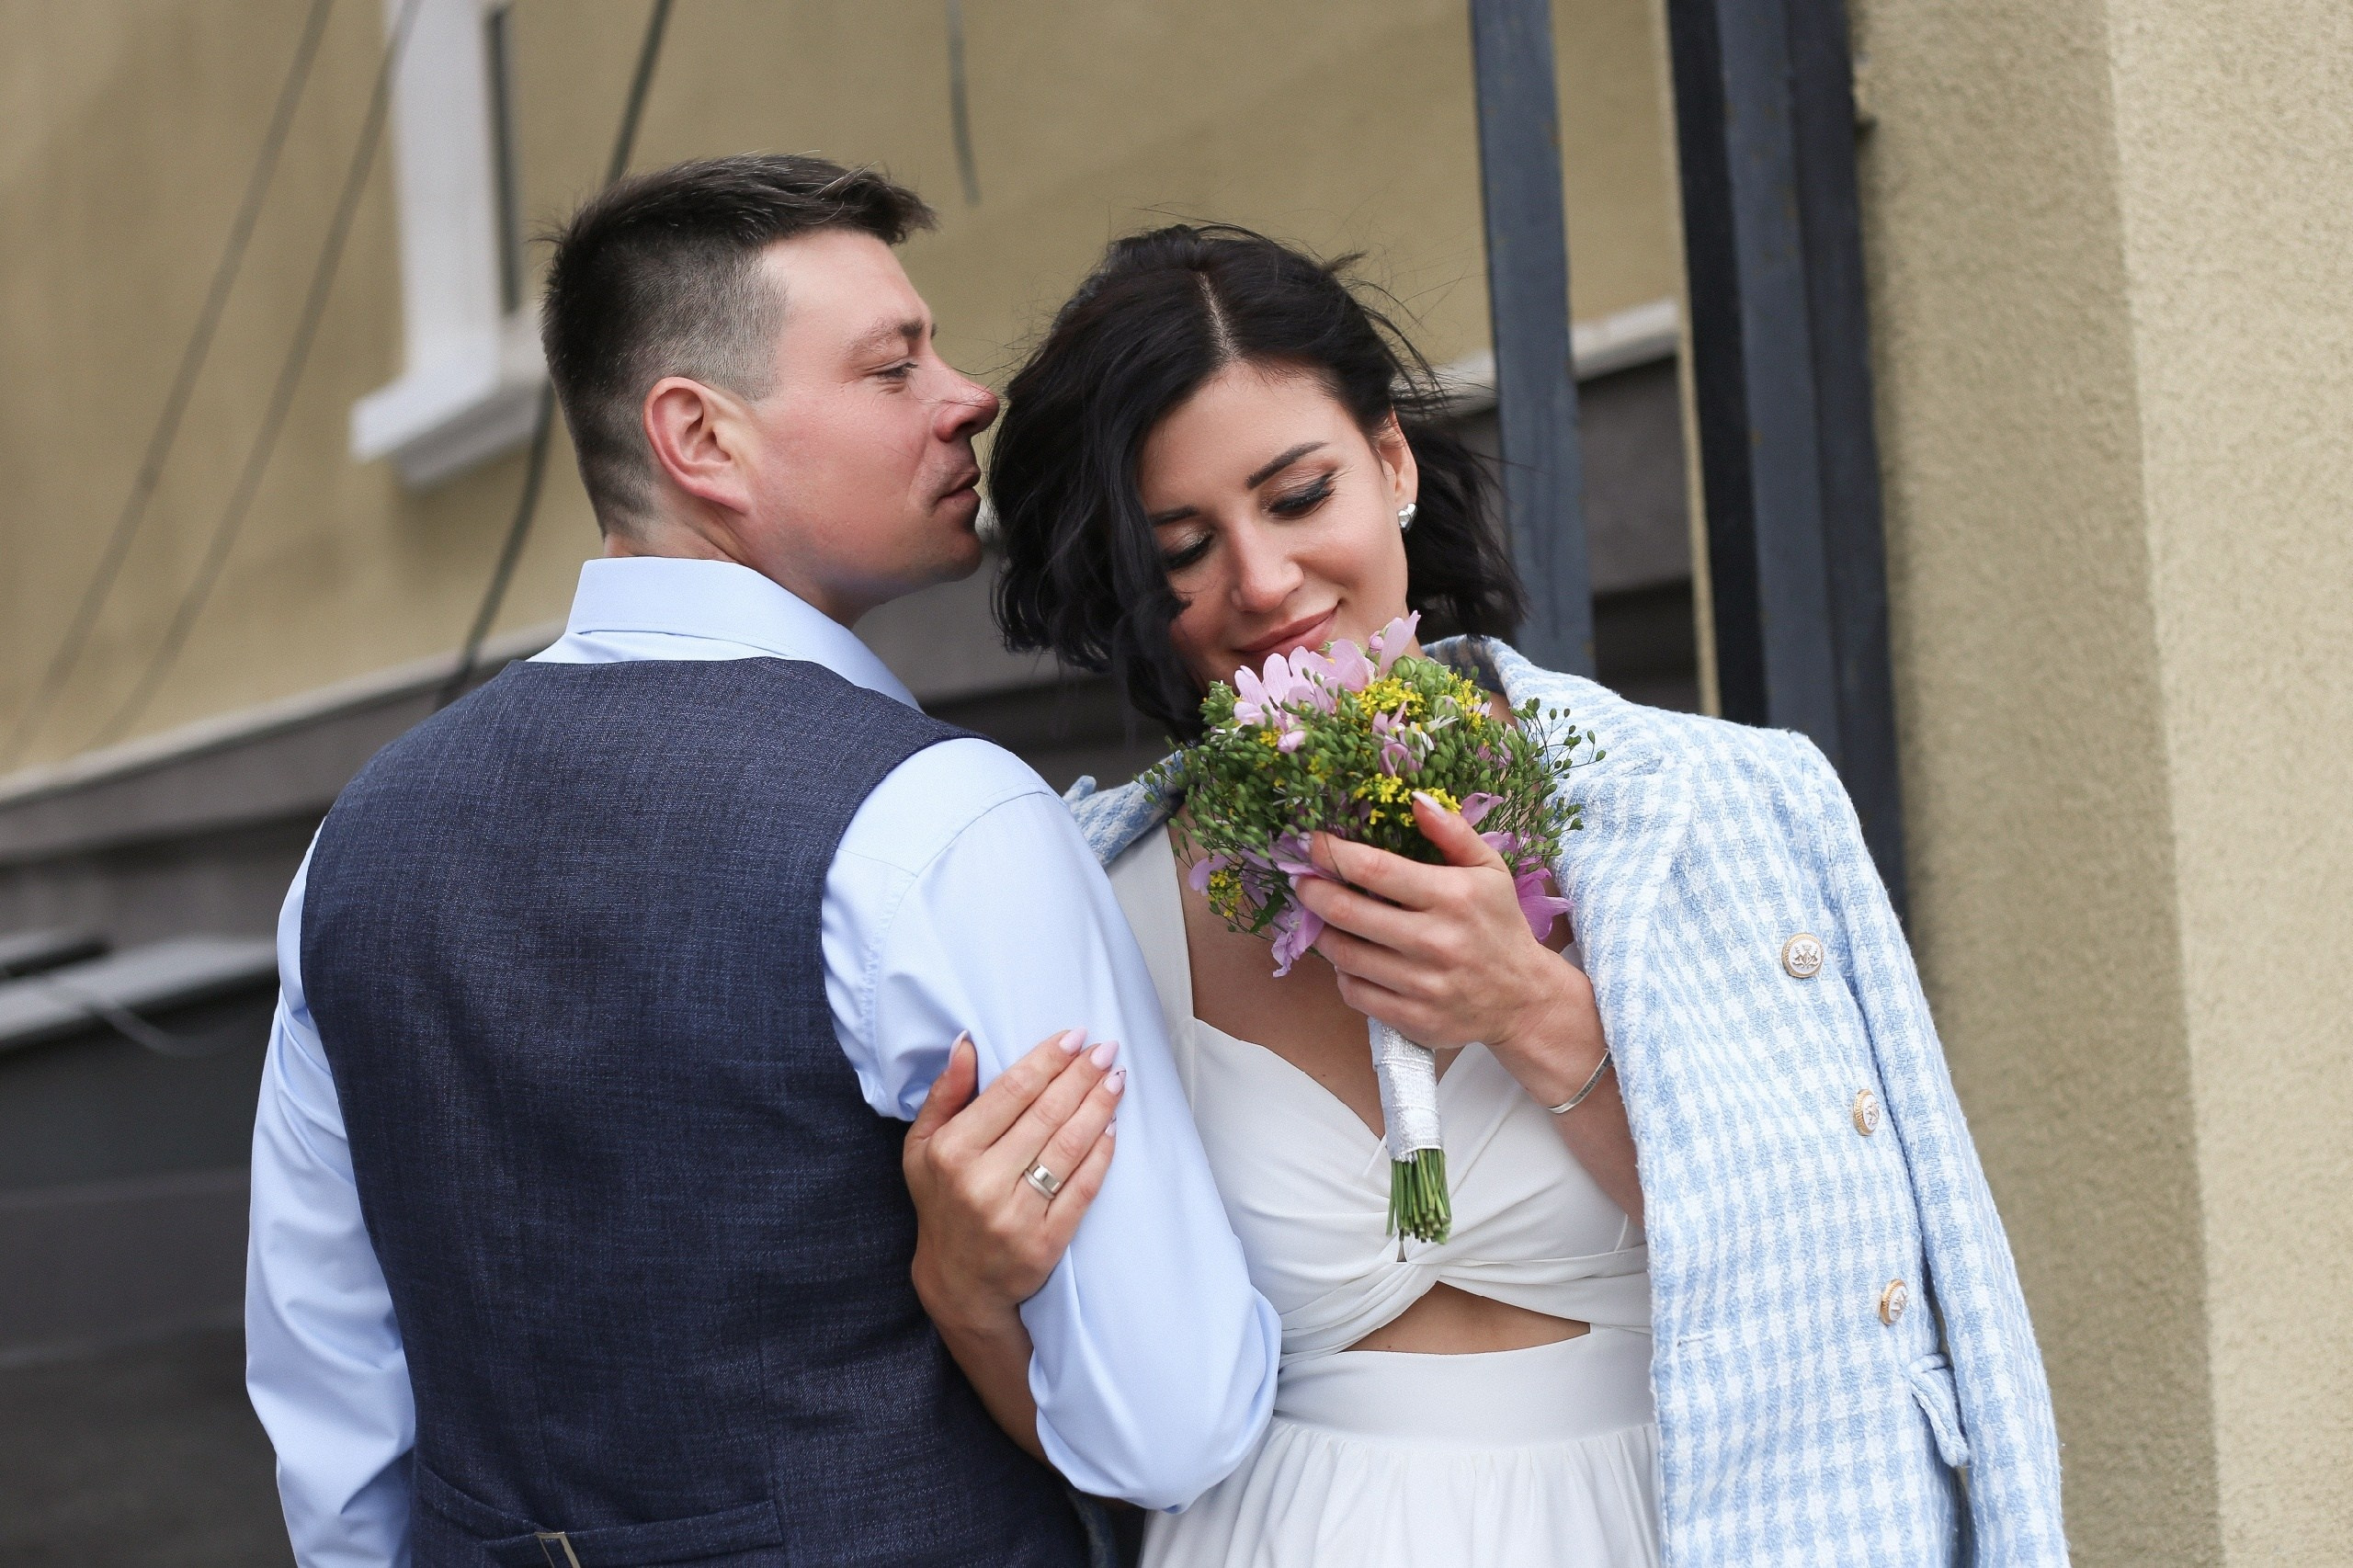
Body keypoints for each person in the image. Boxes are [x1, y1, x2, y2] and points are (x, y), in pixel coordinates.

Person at [908, 225, 2069, 1566]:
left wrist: (1535, 1011)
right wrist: (968, 1289)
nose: (1263, 580)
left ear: (1391, 461)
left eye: (1296, 497)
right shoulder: (1088, 902)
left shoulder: (1725, 807)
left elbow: (1867, 1284)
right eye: (1182, 547)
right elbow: (1112, 1438)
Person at [243, 158, 1279, 1568]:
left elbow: (335, 1407)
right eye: (891, 365)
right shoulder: (941, 822)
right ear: (701, 438)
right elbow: (1168, 1417)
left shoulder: (356, 840)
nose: (968, 394)